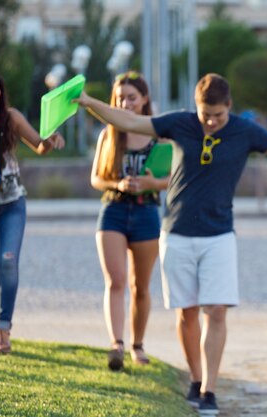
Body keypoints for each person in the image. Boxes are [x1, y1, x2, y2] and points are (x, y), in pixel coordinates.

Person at [75, 73, 267, 414]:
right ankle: (195, 378)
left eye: (218, 116)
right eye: (204, 114)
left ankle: (209, 389)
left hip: (219, 235)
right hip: (176, 233)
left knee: (217, 310)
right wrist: (90, 104)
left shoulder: (245, 131)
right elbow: (131, 119)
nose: (210, 122)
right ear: (196, 106)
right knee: (187, 313)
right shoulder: (180, 123)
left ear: (230, 107)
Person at [0, 66, 65, 354]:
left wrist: (50, 141)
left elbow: (38, 144)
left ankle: (4, 329)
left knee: (8, 262)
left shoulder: (10, 117)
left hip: (13, 203)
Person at [90, 71, 169, 371]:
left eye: (132, 97)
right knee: (116, 281)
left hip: (147, 212)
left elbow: (170, 180)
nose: (126, 103)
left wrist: (151, 184)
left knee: (141, 286)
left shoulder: (159, 134)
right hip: (113, 210)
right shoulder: (109, 134)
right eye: (120, 97)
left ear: (145, 98)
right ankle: (116, 344)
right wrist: (117, 185)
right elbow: (96, 178)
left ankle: (138, 344)